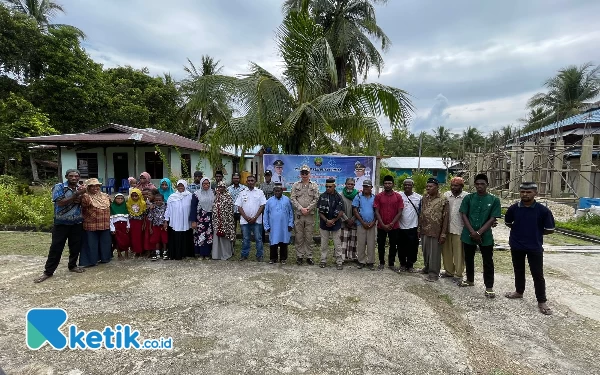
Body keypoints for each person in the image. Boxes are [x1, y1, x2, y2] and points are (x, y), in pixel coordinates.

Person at [504, 182, 556, 315]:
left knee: (537, 274)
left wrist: (536, 232)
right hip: (517, 245)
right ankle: (519, 291)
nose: (525, 194)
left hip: (534, 247)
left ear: (535, 193)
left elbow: (550, 229)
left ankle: (541, 300)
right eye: (522, 192)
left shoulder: (543, 210)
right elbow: (508, 223)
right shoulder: (513, 208)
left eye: (529, 192)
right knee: (518, 269)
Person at [34, 169, 86, 283]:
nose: (74, 178)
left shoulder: (80, 188)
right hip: (61, 224)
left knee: (75, 246)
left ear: (79, 177)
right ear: (66, 177)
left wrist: (80, 197)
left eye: (76, 176)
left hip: (76, 223)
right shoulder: (59, 187)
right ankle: (48, 272)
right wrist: (76, 195)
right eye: (71, 176)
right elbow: (60, 202)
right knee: (56, 248)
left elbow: (80, 202)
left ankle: (72, 266)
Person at [459, 173, 501, 298]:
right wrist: (472, 232)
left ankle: (489, 287)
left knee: (488, 261)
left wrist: (479, 232)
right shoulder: (469, 198)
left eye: (482, 184)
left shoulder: (494, 200)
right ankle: (470, 280)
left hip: (485, 236)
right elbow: (463, 214)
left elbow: (493, 218)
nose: (479, 186)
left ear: (487, 184)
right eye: (477, 184)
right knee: (469, 258)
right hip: (468, 234)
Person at [418, 178, 449, 282]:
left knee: (434, 254)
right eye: (427, 186)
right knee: (425, 251)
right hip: (424, 230)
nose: (428, 188)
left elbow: (446, 218)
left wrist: (443, 233)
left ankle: (434, 274)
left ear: (437, 187)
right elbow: (421, 214)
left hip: (436, 231)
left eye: (430, 186)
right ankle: (427, 268)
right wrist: (419, 228)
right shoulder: (424, 198)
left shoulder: (443, 199)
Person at [79, 178, 112, 267]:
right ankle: (91, 261)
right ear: (88, 188)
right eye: (92, 186)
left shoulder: (105, 196)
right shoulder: (86, 197)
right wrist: (82, 192)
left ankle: (105, 258)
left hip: (104, 224)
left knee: (105, 242)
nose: (95, 188)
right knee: (91, 243)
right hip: (91, 224)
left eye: (97, 186)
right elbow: (83, 204)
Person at [290, 165, 319, 265]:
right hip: (299, 215)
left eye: (306, 173)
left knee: (309, 236)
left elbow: (316, 199)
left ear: (309, 174)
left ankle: (309, 256)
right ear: (300, 174)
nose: (304, 175)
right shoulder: (295, 185)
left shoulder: (314, 185)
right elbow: (293, 198)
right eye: (302, 173)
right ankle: (299, 256)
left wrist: (308, 208)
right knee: (299, 236)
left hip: (309, 215)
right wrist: (301, 208)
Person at [374, 175, 404, 270]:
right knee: (381, 245)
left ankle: (391, 264)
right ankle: (381, 263)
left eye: (389, 183)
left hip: (394, 226)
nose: (387, 185)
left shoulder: (398, 196)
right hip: (381, 226)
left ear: (393, 184)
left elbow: (400, 212)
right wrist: (382, 224)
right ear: (383, 184)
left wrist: (391, 223)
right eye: (386, 183)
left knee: (393, 245)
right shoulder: (379, 196)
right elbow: (376, 211)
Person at [442, 177, 468, 282]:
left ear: (462, 186)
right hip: (446, 229)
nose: (453, 187)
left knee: (459, 253)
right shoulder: (446, 195)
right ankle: (449, 271)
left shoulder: (467, 197)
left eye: (456, 185)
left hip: (459, 229)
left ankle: (458, 274)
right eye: (452, 185)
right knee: (446, 251)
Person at [235, 175, 267, 261]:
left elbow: (262, 205)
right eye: (248, 181)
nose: (250, 182)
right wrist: (246, 217)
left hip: (257, 220)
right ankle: (244, 255)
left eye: (252, 180)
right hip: (245, 221)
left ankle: (259, 255)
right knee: (245, 239)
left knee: (258, 238)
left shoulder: (260, 192)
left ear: (255, 181)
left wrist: (255, 217)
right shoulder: (242, 192)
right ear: (246, 182)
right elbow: (239, 206)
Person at [263, 182, 294, 264]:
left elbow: (291, 213)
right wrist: (266, 226)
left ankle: (283, 258)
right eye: (275, 191)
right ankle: (273, 258)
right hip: (273, 226)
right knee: (273, 242)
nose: (277, 192)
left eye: (279, 191)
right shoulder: (269, 201)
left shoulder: (287, 200)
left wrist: (290, 224)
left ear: (282, 191)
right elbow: (265, 214)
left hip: (284, 226)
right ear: (274, 191)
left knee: (284, 242)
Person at [317, 178, 345, 270]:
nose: (328, 188)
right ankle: (323, 260)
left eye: (330, 186)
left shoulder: (339, 197)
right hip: (324, 224)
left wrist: (333, 220)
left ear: (334, 186)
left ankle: (339, 261)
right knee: (324, 244)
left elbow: (341, 211)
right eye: (326, 187)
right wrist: (327, 221)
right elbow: (320, 212)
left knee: (337, 244)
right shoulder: (322, 196)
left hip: (336, 224)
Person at [163, 180, 193, 260]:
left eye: (182, 186)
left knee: (186, 236)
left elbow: (193, 208)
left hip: (186, 220)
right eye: (179, 186)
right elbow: (168, 209)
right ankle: (177, 254)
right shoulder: (172, 196)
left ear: (185, 186)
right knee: (176, 236)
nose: (180, 187)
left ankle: (186, 253)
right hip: (176, 221)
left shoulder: (190, 196)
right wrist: (166, 220)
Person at [397, 178, 421, 272]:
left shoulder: (419, 197)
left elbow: (421, 212)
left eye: (409, 185)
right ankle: (402, 264)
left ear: (412, 186)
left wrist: (420, 227)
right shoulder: (399, 196)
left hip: (413, 226)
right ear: (403, 186)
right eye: (405, 185)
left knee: (413, 247)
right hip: (401, 226)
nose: (407, 186)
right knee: (401, 246)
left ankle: (410, 265)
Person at [353, 180, 377, 270]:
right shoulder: (358, 197)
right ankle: (361, 261)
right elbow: (355, 210)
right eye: (364, 186)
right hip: (360, 224)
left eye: (367, 187)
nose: (366, 188)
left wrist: (373, 222)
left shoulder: (375, 198)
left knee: (371, 244)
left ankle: (370, 262)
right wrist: (362, 222)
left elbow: (377, 212)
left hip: (372, 224)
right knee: (361, 243)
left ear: (371, 188)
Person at [190, 177, 215, 259]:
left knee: (209, 236)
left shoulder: (213, 193)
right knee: (200, 235)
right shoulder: (196, 194)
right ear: (201, 184)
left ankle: (207, 254)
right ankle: (201, 254)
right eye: (204, 183)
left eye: (208, 183)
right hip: (200, 218)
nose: (206, 185)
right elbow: (193, 208)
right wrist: (193, 221)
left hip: (210, 217)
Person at [212, 181, 235, 260]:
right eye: (219, 187)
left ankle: (226, 254)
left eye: (222, 187)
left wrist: (225, 219)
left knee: (224, 237)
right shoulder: (216, 196)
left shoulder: (228, 196)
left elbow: (230, 209)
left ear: (225, 188)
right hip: (216, 220)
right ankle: (216, 254)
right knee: (217, 236)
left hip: (226, 221)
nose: (221, 188)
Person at [340, 178, 358, 262]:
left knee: (353, 240)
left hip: (354, 221)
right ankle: (342, 258)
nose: (350, 186)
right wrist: (347, 220)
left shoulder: (357, 195)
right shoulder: (341, 195)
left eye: (352, 184)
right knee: (343, 240)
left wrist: (353, 219)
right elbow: (339, 209)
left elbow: (359, 209)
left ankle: (353, 256)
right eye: (348, 184)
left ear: (354, 185)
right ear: (345, 184)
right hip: (344, 221)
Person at [148, 192, 168, 261]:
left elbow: (168, 216)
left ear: (163, 200)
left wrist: (166, 223)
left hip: (163, 226)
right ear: (154, 201)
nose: (158, 201)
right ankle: (157, 253)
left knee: (164, 240)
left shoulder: (166, 206)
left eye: (160, 200)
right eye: (156, 200)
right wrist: (150, 227)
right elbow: (150, 218)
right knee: (156, 240)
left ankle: (165, 253)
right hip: (155, 226)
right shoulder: (152, 208)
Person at [127, 188, 147, 257]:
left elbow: (144, 215)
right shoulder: (128, 203)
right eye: (133, 196)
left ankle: (141, 251)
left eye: (136, 196)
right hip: (132, 222)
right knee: (133, 237)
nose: (134, 197)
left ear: (139, 195)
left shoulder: (143, 203)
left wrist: (144, 224)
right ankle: (135, 250)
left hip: (140, 222)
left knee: (140, 237)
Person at [110, 193, 130, 260]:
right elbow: (111, 219)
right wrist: (112, 228)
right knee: (117, 240)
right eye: (118, 198)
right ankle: (119, 254)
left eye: (121, 198)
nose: (120, 200)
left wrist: (128, 226)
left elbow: (128, 218)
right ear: (115, 199)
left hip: (124, 226)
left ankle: (126, 253)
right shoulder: (112, 207)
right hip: (116, 226)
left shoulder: (126, 206)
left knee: (126, 240)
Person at [228, 172, 247, 243]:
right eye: (234, 178)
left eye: (237, 178)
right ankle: (232, 243)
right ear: (232, 179)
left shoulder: (244, 188)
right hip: (232, 211)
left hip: (241, 212)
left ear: (239, 179)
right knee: (232, 228)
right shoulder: (228, 189)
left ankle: (244, 242)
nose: (236, 180)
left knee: (243, 228)